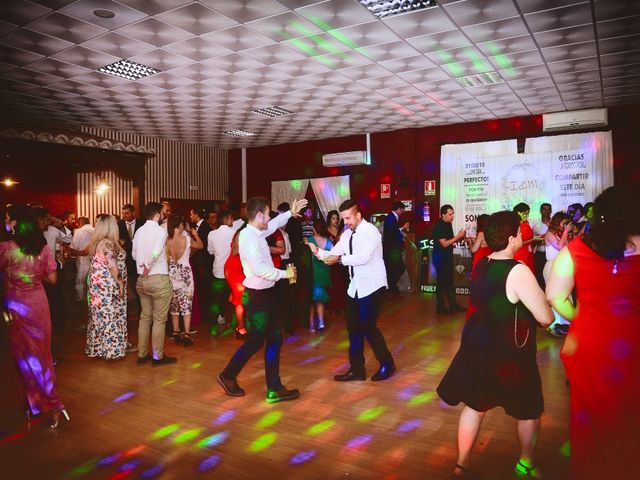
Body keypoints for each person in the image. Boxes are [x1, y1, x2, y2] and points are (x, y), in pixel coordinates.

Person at [437, 210, 553, 480]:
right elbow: (545, 318)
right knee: (529, 411)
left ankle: (461, 463)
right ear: (513, 237)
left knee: (475, 406)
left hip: (480, 349)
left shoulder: (483, 264)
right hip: (510, 355)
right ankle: (525, 463)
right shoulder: (518, 271)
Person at [546, 186, 640, 480]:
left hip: (589, 346)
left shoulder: (576, 250)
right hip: (632, 348)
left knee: (590, 419)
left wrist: (584, 316)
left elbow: (554, 296)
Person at [217, 197, 307, 404]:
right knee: (255, 342)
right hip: (257, 298)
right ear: (259, 216)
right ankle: (228, 375)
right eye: (267, 214)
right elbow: (259, 269)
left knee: (275, 339)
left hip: (266, 295)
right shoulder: (248, 237)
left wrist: (289, 214)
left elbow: (273, 224)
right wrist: (286, 274)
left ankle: (274, 388)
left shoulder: (257, 232)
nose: (269, 218)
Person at [308, 199, 396, 382]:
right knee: (353, 329)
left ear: (358, 215)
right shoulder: (347, 234)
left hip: (372, 285)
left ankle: (388, 364)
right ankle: (357, 369)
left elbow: (362, 258)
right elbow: (333, 253)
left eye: (348, 218)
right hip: (355, 287)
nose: (345, 222)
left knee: (368, 327)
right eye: (343, 218)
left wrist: (338, 260)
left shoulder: (371, 232)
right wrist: (318, 252)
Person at [0, 204, 69, 428]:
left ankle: (35, 404)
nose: (6, 222)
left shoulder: (6, 249)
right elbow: (53, 280)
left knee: (21, 356)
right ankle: (53, 406)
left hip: (17, 307)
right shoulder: (43, 248)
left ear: (16, 223)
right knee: (42, 355)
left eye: (9, 219)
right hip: (38, 304)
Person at [132, 202, 176, 366]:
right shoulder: (160, 231)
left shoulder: (139, 231)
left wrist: (143, 266)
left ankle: (142, 355)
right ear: (157, 214)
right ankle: (158, 357)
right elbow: (157, 252)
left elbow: (135, 254)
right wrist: (148, 266)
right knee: (159, 320)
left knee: (145, 318)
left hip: (141, 281)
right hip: (157, 278)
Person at [86, 214, 128, 360]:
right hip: (107, 284)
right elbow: (112, 266)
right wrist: (121, 283)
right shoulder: (108, 244)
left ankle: (97, 348)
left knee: (98, 316)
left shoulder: (96, 243)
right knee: (110, 315)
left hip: (97, 284)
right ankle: (112, 350)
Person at [167, 215, 203, 346]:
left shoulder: (167, 240)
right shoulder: (186, 239)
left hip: (171, 274)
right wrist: (195, 234)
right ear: (180, 224)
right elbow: (200, 246)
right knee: (186, 304)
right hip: (185, 274)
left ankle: (176, 332)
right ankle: (187, 334)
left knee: (174, 304)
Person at [543, 212, 572, 337]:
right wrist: (566, 232)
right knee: (555, 296)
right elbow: (560, 247)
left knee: (565, 295)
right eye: (563, 223)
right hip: (551, 265)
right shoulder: (549, 234)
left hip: (561, 266)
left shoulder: (562, 235)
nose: (565, 226)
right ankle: (556, 325)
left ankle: (565, 324)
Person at [433, 204, 466, 314]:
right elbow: (444, 244)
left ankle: (453, 305)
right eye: (450, 214)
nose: (452, 216)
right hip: (440, 258)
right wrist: (458, 237)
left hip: (447, 257)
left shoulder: (448, 224)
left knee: (449, 282)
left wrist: (460, 238)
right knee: (441, 283)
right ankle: (440, 307)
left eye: (453, 214)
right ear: (443, 214)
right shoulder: (439, 226)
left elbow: (450, 240)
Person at [207, 210, 238, 327]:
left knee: (216, 297)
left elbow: (210, 251)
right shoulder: (235, 233)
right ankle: (233, 320)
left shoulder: (212, 234)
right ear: (226, 219)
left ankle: (215, 321)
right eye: (231, 218)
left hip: (218, 269)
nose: (233, 221)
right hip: (232, 270)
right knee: (233, 297)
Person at [305, 223, 333, 332]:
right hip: (324, 272)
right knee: (320, 299)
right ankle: (321, 323)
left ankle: (311, 323)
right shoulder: (329, 242)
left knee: (311, 299)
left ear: (314, 229)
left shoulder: (309, 240)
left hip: (312, 272)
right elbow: (333, 256)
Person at [190, 207, 214, 324]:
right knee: (202, 289)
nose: (190, 217)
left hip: (204, 264)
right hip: (199, 264)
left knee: (205, 290)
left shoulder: (205, 227)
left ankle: (207, 315)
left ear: (196, 214)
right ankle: (204, 314)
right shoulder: (198, 227)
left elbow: (204, 247)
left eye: (191, 214)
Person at [117, 204, 142, 314]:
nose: (124, 215)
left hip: (139, 260)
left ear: (133, 213)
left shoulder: (142, 223)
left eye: (126, 213)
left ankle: (140, 309)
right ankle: (125, 311)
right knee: (127, 286)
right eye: (123, 213)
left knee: (139, 287)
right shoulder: (119, 225)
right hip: (125, 261)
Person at [224, 224, 247, 338]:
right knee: (240, 301)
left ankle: (232, 322)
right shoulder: (242, 235)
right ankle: (241, 329)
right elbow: (236, 252)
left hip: (235, 268)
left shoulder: (241, 234)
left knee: (236, 296)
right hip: (234, 269)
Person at [383, 201, 409, 294]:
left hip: (392, 249)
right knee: (398, 268)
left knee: (394, 269)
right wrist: (402, 228)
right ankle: (390, 289)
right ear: (398, 209)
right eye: (402, 210)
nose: (403, 212)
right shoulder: (391, 218)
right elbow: (391, 233)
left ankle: (392, 289)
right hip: (392, 250)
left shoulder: (392, 217)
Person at [68, 216, 93, 303]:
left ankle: (80, 301)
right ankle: (91, 300)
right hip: (94, 259)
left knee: (80, 281)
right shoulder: (94, 230)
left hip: (83, 259)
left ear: (80, 223)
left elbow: (74, 245)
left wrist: (68, 249)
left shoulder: (79, 231)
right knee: (92, 280)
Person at [513, 203, 540, 272]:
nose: (527, 215)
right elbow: (516, 243)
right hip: (520, 253)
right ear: (518, 213)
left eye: (528, 213)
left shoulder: (526, 223)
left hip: (529, 253)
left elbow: (530, 238)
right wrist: (532, 240)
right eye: (525, 213)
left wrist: (536, 240)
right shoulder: (514, 225)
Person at [532, 203, 552, 288]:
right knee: (540, 277)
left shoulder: (555, 224)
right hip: (540, 254)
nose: (546, 211)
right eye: (544, 209)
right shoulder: (536, 227)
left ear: (551, 211)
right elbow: (532, 242)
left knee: (551, 276)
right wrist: (538, 241)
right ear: (540, 211)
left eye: (548, 209)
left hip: (552, 256)